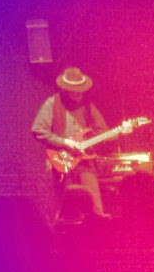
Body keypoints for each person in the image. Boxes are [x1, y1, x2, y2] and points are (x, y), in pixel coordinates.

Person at [31, 66, 132, 223]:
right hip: (61, 163)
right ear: (66, 89)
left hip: (85, 163)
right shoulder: (52, 103)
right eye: (74, 90)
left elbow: (102, 133)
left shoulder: (88, 106)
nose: (78, 93)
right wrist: (65, 142)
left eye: (80, 90)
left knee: (95, 207)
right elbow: (38, 130)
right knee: (67, 210)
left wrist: (120, 132)